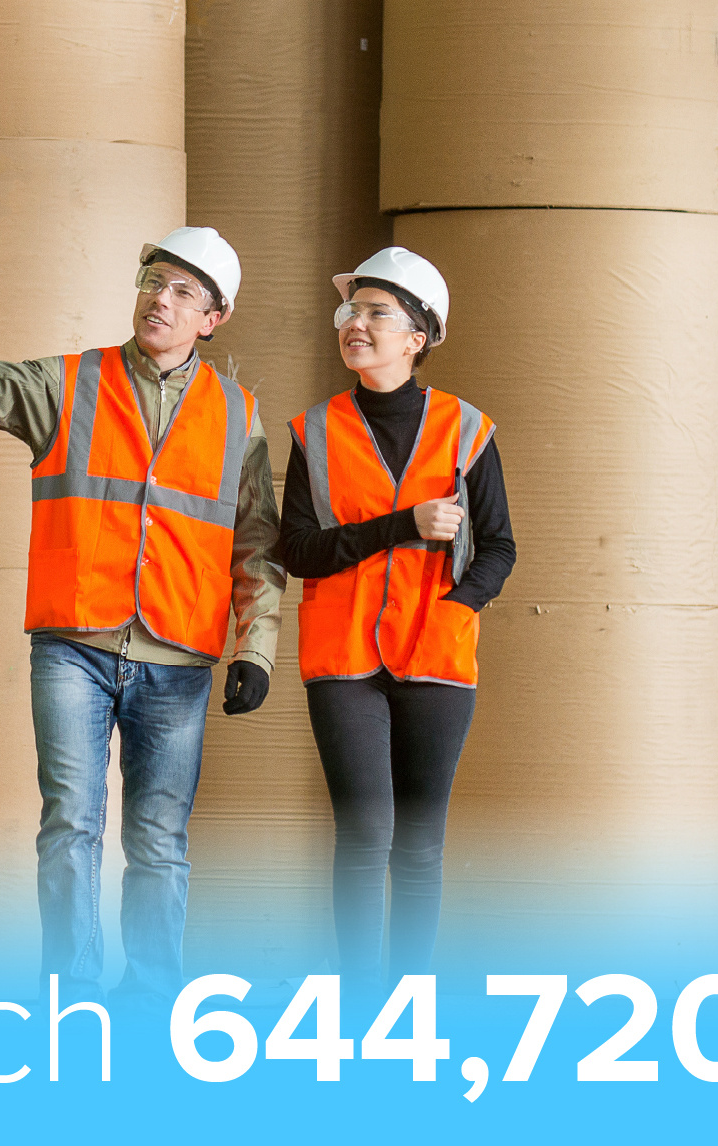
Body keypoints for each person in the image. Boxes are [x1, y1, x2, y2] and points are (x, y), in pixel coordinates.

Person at [0, 217, 285, 1008]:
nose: (161, 299)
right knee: (70, 825)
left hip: (179, 660)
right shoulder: (71, 382)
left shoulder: (238, 417)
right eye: (154, 282)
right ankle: (70, 998)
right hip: (73, 646)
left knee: (158, 843)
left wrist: (256, 649)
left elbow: (256, 545)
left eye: (183, 291)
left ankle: (156, 1004)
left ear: (213, 317)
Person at [280, 246, 515, 993]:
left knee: (417, 845)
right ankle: (359, 1005)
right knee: (364, 836)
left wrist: (457, 607)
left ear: (418, 336)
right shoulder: (311, 433)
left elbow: (501, 548)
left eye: (378, 312)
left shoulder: (466, 429)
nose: (357, 323)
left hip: (438, 657)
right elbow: (299, 552)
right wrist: (401, 524)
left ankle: (409, 1004)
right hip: (343, 660)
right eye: (352, 310)